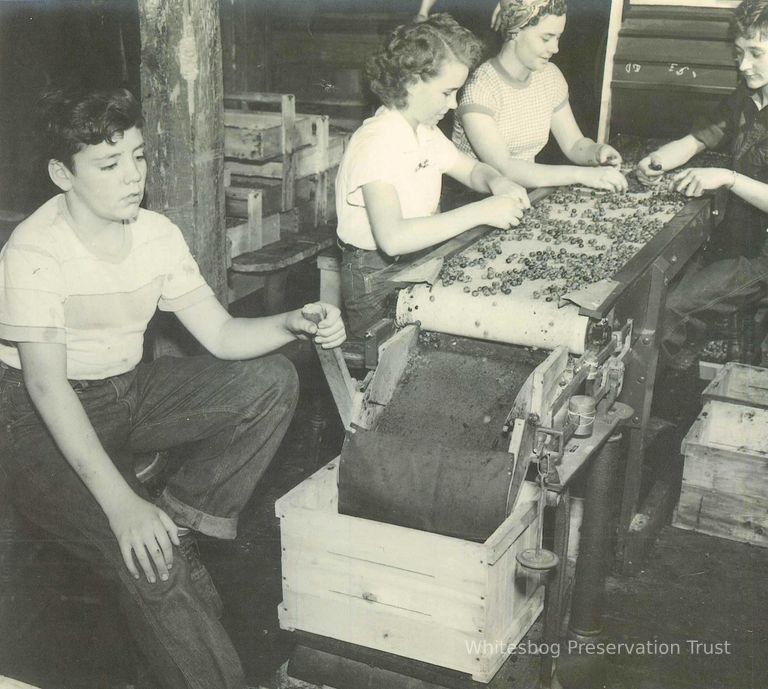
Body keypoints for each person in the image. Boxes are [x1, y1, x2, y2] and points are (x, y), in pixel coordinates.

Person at [0, 86, 345, 689]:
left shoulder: (155, 233)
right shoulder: (33, 251)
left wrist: (291, 322)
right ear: (62, 174)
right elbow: (47, 389)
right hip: (33, 415)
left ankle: (179, 520)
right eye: (110, 165)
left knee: (270, 378)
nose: (133, 176)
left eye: (137, 156)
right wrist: (122, 505)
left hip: (125, 389)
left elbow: (221, 334)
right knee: (150, 566)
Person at [335, 13, 530, 336]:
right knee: (385, 364)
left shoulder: (424, 131)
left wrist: (498, 180)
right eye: (446, 92)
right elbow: (393, 238)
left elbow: (471, 170)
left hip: (420, 256)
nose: (454, 104)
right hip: (376, 274)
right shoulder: (376, 142)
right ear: (411, 83)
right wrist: (482, 211)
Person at [636, 0, 768, 360]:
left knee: (670, 312)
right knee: (652, 292)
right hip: (737, 237)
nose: (744, 65)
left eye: (756, 53)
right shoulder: (748, 97)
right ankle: (678, 380)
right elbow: (699, 138)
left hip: (763, 258)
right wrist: (658, 160)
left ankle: (644, 406)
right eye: (739, 53)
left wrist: (727, 177)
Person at [452, 0, 627, 192]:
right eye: (546, 38)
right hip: (475, 201)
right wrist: (582, 175)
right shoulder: (480, 90)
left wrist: (597, 152)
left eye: (558, 38)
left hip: (527, 190)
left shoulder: (549, 76)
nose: (555, 48)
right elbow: (505, 168)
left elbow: (574, 144)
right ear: (515, 32)